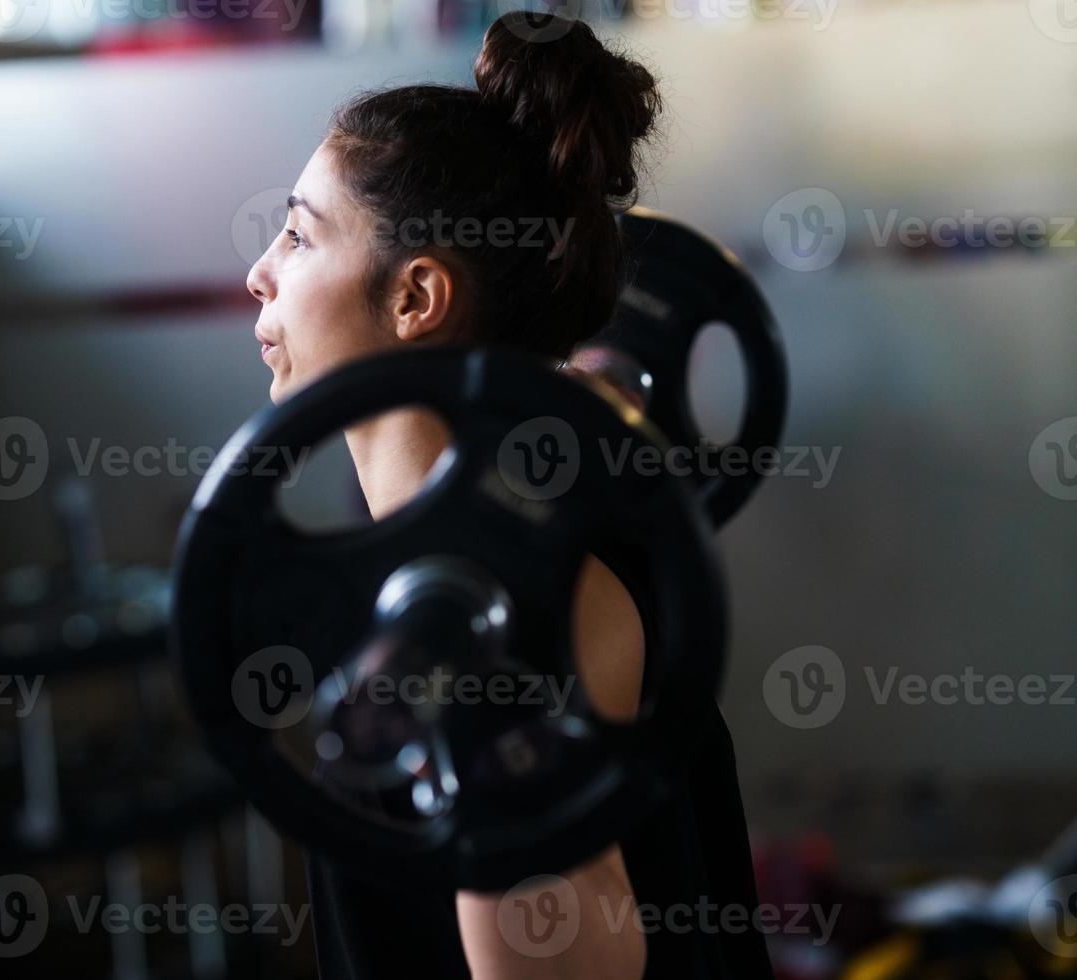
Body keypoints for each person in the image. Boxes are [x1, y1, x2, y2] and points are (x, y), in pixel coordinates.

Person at [245, 12, 772, 978]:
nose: (259, 277)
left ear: (415, 298)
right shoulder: (469, 564)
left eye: (296, 235)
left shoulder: (522, 594)